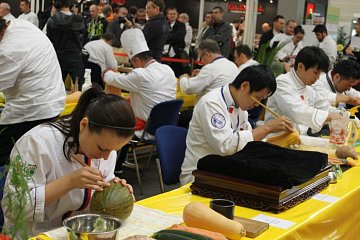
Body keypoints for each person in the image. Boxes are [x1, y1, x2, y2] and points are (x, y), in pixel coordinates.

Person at [2, 86, 135, 236]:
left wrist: (116, 193)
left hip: (76, 233)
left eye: (114, 150)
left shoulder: (107, 149)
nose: (106, 157)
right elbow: (13, 207)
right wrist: (70, 182)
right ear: (84, 125)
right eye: (102, 148)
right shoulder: (37, 143)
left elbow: (98, 206)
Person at [179, 65, 293, 185]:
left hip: (226, 168)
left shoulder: (240, 106)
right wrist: (268, 128)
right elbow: (226, 146)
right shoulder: (212, 103)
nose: (257, 105)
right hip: (200, 174)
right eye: (258, 98)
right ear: (244, 86)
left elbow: (248, 142)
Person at [0, 16, 65, 167]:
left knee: (9, 157)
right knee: (28, 159)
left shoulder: (9, 50)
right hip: (51, 104)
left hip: (31, 111)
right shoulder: (20, 25)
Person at [104, 28, 177, 137]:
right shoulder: (168, 69)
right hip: (166, 128)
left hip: (146, 130)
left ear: (137, 60)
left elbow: (112, 79)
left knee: (109, 118)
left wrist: (107, 72)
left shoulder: (141, 75)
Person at [265, 46, 341, 135]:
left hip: (299, 138)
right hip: (276, 140)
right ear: (300, 66)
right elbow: (297, 111)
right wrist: (330, 116)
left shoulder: (308, 88)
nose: (317, 77)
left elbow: (323, 106)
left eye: (320, 74)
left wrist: (343, 115)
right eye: (315, 73)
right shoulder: (282, 83)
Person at [46, 0, 85, 90]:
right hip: (75, 58)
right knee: (78, 89)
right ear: (69, 4)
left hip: (58, 58)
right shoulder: (78, 20)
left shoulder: (52, 20)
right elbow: (82, 37)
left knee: (56, 89)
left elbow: (49, 40)